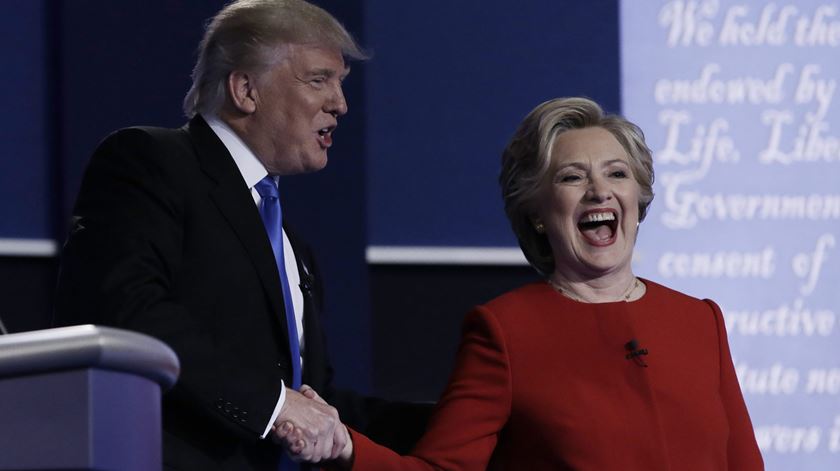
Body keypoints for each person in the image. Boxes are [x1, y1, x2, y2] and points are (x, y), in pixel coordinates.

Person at [282, 97, 764, 470]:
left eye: (617, 174)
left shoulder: (699, 320)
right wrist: (345, 447)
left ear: (638, 198)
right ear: (536, 213)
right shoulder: (504, 332)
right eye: (573, 177)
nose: (600, 190)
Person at [53, 1, 414, 469]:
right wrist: (274, 405)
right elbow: (126, 310)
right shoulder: (150, 161)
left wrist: (474, 419)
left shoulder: (292, 248)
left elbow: (315, 406)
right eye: (319, 79)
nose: (340, 103)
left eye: (340, 83)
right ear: (246, 89)